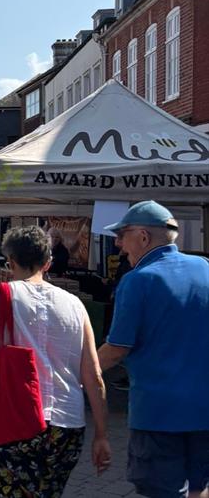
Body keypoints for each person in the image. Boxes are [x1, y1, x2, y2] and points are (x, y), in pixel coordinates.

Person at [0, 226, 111, 496]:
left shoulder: (0, 294)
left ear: (10, 261)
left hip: (16, 419)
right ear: (48, 263)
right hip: (68, 425)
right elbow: (94, 376)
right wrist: (101, 434)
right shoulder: (75, 304)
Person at [96, 201, 209, 498]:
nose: (119, 245)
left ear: (143, 237)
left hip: (159, 413)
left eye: (122, 235)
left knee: (162, 490)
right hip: (204, 408)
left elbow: (117, 349)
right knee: (200, 487)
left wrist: (75, 372)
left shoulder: (137, 281)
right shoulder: (204, 269)